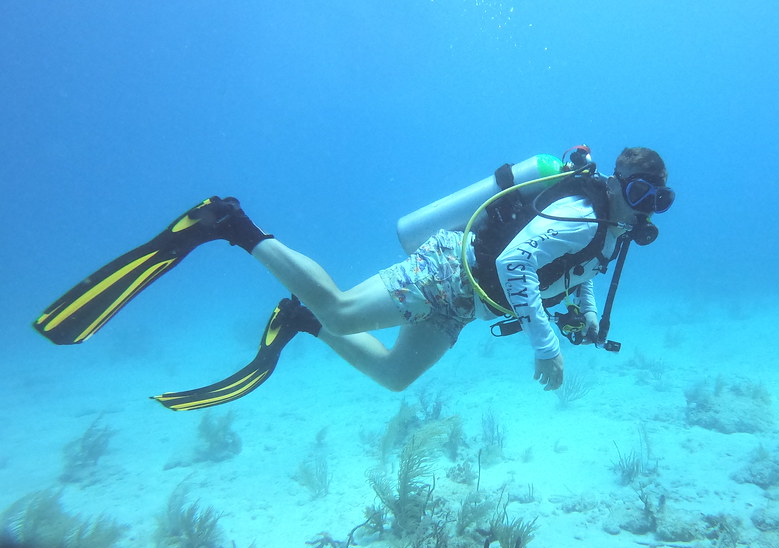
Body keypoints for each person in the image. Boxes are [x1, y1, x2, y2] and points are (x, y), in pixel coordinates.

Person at [34, 147, 673, 409]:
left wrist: (583, 315)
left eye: (655, 198)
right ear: (617, 182)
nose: (643, 204)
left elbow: (577, 271)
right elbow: (515, 262)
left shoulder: (608, 233)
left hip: (464, 306)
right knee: (343, 311)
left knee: (394, 378)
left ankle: (298, 320)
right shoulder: (582, 210)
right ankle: (230, 224)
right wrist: (546, 343)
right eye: (637, 190)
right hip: (449, 272)